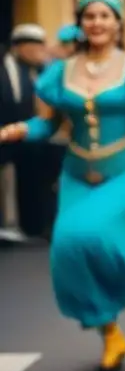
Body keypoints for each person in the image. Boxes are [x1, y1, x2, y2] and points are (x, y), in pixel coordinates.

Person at [0, 0, 125, 371]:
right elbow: (49, 125)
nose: (97, 22)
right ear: (80, 22)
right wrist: (20, 130)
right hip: (79, 172)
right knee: (67, 246)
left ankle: (120, 290)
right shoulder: (59, 72)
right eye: (89, 15)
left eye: (105, 15)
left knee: (92, 235)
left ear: (118, 22)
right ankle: (109, 331)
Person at [0, 24, 53, 241]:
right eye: (34, 47)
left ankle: (32, 226)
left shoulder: (40, 72)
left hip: (28, 139)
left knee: (30, 180)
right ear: (19, 47)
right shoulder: (4, 68)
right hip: (4, 134)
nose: (40, 52)